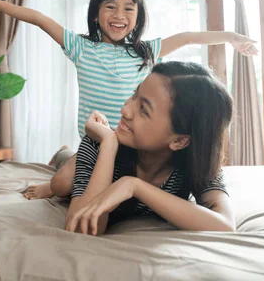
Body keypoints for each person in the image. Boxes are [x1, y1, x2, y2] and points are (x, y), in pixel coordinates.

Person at [0, 0, 255, 199]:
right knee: (60, 185)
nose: (119, 14)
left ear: (137, 16)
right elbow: (41, 19)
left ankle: (70, 159)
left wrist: (231, 37)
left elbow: (188, 37)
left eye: (128, 8)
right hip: (96, 142)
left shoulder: (145, 52)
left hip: (134, 144)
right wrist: (0, 6)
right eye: (110, 6)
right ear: (96, 14)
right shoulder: (81, 47)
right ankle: (64, 156)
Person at [64, 61, 234, 235]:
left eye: (143, 110)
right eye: (134, 95)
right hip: (101, 150)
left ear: (180, 141)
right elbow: (80, 228)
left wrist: (134, 186)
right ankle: (64, 155)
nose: (125, 110)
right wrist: (108, 144)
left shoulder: (196, 162)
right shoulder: (98, 143)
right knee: (60, 184)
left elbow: (226, 225)